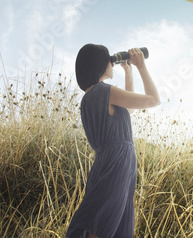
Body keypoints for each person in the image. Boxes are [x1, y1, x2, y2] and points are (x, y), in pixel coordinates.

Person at [67, 44, 160, 238]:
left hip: (111, 161)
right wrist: (141, 66)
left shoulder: (90, 97)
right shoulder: (103, 91)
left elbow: (128, 110)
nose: (112, 62)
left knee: (103, 219)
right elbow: (153, 100)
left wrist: (128, 71)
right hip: (118, 162)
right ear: (99, 64)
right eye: (108, 59)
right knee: (102, 222)